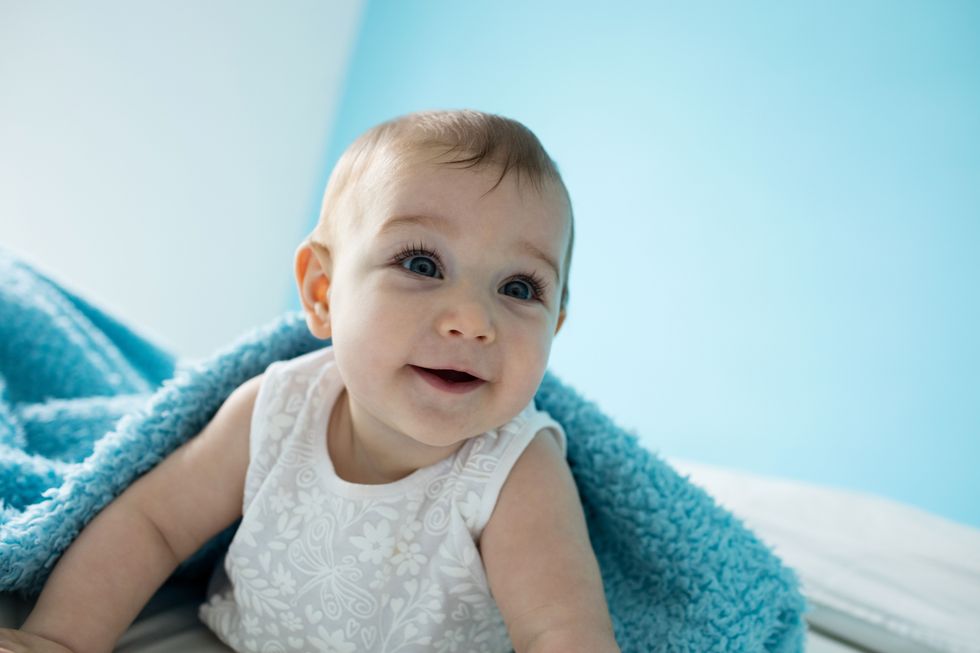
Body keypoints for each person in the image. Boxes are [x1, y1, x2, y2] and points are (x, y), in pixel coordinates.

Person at [0, 110, 620, 653]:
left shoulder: (516, 471)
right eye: (422, 264)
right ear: (323, 292)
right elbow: (151, 525)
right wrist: (61, 637)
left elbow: (560, 630)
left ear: (554, 327)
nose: (473, 321)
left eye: (520, 288)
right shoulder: (278, 409)